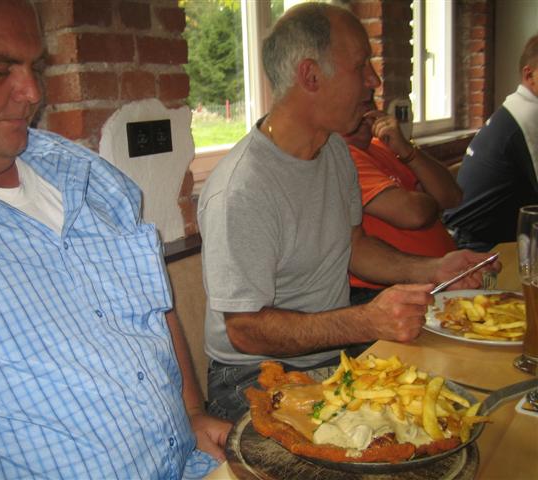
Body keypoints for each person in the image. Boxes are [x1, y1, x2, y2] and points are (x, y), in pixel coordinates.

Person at [0, 0, 231, 478]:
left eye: (36, 67)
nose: (32, 92)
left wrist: (192, 412)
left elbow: (150, 305)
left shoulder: (82, 171)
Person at [197, 3, 499, 422]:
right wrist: (367, 321)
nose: (374, 80)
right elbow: (244, 329)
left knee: (462, 398)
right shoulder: (241, 189)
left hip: (332, 356)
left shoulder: (334, 151)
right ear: (310, 76)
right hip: (253, 374)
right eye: (361, 66)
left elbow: (354, 247)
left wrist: (435, 269)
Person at [344, 106, 462, 304]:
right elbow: (414, 214)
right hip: (386, 291)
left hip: (441, 276)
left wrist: (407, 150)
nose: (367, 112)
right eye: (359, 102)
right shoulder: (343, 157)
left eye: (370, 100)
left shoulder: (383, 146)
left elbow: (452, 197)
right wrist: (431, 200)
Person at [443, 33, 538, 252]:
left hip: (470, 236)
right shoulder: (529, 114)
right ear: (529, 75)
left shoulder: (516, 107)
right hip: (475, 247)